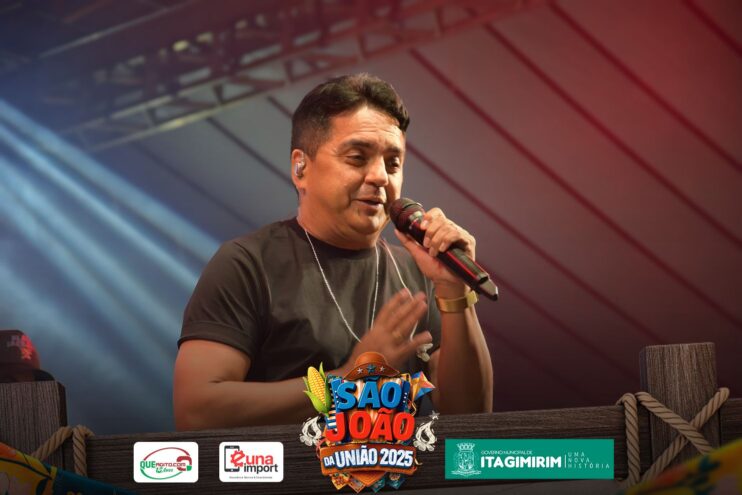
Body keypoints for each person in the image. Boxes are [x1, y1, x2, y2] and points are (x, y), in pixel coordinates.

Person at [173, 73, 493, 430]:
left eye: (393, 163)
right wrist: (348, 381)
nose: (380, 177)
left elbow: (472, 419)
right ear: (300, 168)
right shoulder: (247, 263)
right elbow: (197, 411)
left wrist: (455, 294)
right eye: (357, 158)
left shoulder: (423, 271)